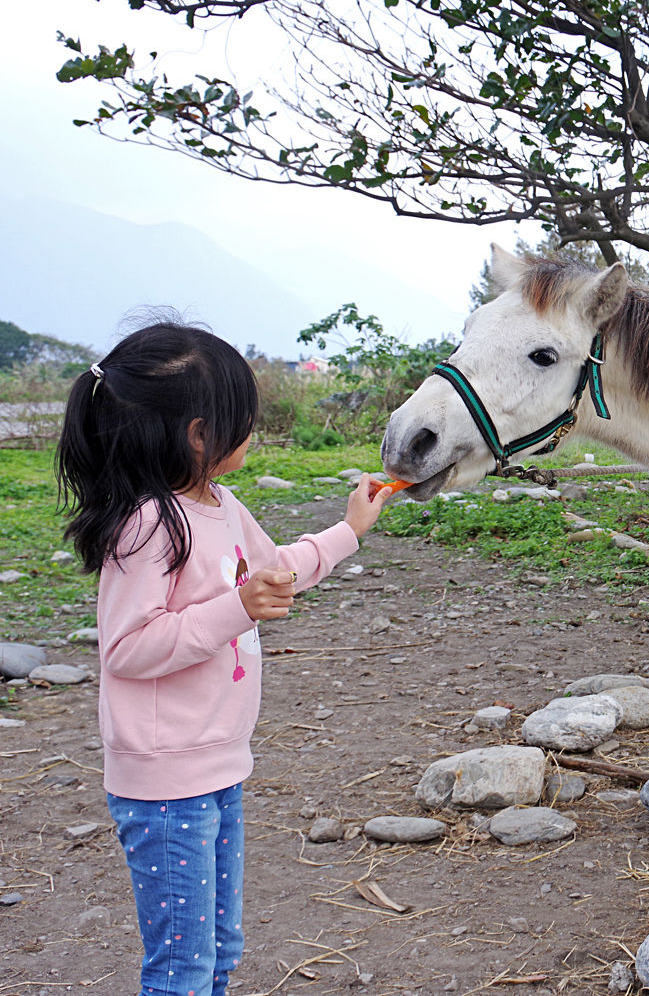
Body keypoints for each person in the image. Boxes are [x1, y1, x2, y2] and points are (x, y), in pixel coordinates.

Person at [55, 321, 395, 996]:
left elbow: (276, 571)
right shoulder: (150, 524)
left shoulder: (222, 504)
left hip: (217, 767)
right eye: (245, 418)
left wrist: (349, 529)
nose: (254, 428)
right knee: (181, 966)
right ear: (198, 432)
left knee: (218, 949)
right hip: (163, 785)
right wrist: (237, 607)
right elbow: (128, 647)